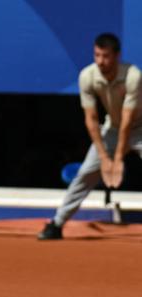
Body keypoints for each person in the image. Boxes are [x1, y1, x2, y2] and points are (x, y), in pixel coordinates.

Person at [38, 33, 142, 240]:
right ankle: (57, 224)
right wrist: (104, 158)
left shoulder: (133, 76)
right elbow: (91, 119)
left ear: (117, 56)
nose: (101, 61)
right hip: (112, 129)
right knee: (85, 173)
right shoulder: (87, 76)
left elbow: (128, 121)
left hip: (139, 128)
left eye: (106, 56)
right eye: (97, 55)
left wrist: (118, 159)